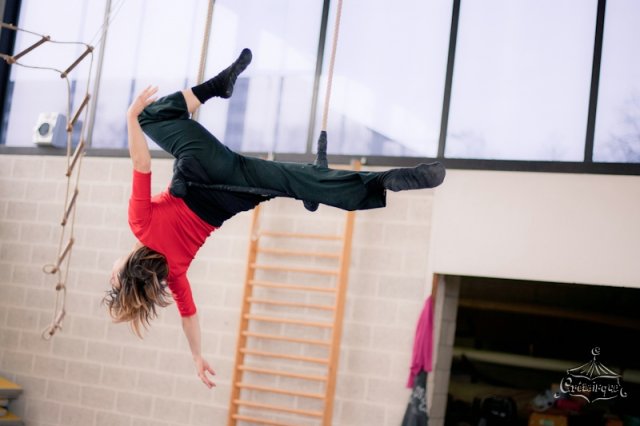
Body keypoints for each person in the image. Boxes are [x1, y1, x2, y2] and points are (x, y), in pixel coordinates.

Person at [104, 48, 446, 389]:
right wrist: (131, 117)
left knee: (292, 180)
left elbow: (189, 317)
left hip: (230, 194)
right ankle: (216, 88)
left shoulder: (174, 274)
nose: (111, 274)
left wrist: (197, 356)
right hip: (202, 166)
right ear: (125, 271)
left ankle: (382, 181)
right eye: (113, 279)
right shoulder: (139, 224)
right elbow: (142, 163)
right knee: (149, 118)